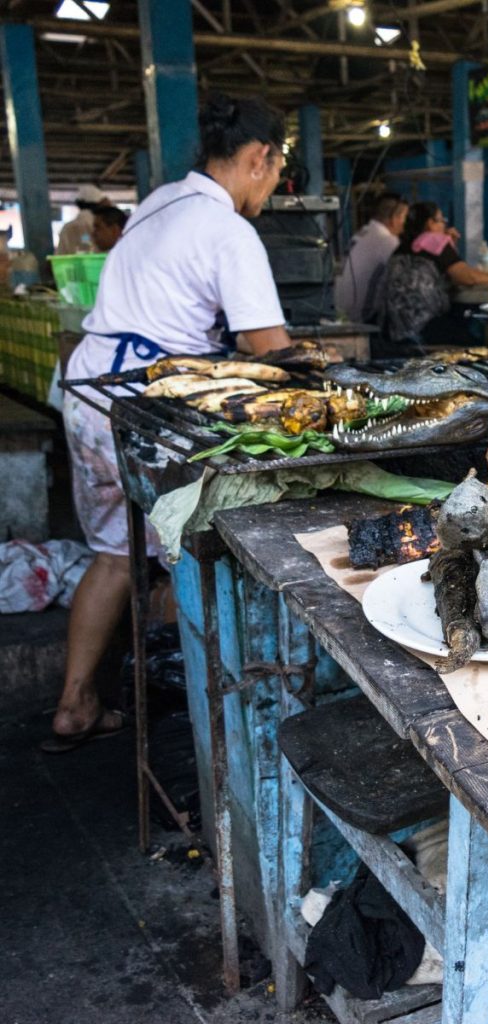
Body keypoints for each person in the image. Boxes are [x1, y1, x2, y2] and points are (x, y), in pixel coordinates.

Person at [44, 94, 292, 753]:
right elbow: (271, 348)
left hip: (90, 390)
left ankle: (76, 703)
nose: (274, 184)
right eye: (277, 169)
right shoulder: (229, 231)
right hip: (141, 408)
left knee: (114, 554)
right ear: (258, 158)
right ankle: (221, 731)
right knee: (194, 550)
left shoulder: (157, 204)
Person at [382, 201, 488, 348]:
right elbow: (467, 277)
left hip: (395, 329)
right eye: (441, 220)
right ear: (430, 223)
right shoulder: (434, 239)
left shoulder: (404, 245)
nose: (444, 225)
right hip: (424, 326)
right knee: (478, 342)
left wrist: (451, 246)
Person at [335, 192, 408, 323]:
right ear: (393, 218)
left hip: (340, 313)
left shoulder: (362, 233)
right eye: (405, 218)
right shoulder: (388, 241)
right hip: (362, 318)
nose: (406, 224)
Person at [56, 184, 108, 254]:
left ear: (78, 204)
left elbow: (59, 255)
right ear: (99, 204)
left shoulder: (66, 228)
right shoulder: (104, 226)